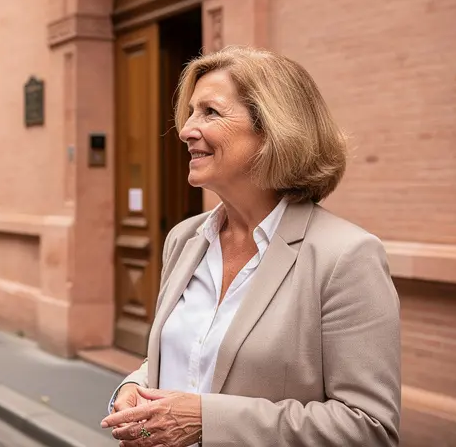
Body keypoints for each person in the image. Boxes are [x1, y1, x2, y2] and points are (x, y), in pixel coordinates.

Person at [100, 46, 401, 446]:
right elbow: (191, 356)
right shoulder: (185, 239)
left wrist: (209, 419)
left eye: (210, 112)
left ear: (274, 129)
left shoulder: (345, 257)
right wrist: (133, 387)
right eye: (191, 112)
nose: (187, 129)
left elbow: (368, 428)